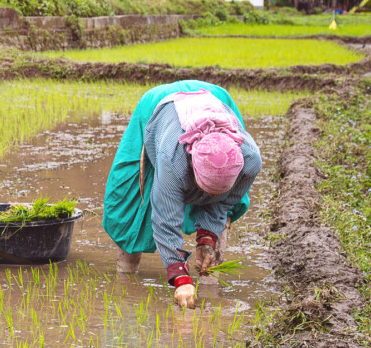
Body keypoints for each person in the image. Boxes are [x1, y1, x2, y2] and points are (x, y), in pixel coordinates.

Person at [102, 80, 261, 309]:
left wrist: (207, 238)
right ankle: (125, 280)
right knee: (133, 198)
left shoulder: (250, 160)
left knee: (225, 214)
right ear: (193, 169)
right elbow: (165, 220)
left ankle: (209, 288)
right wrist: (180, 277)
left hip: (216, 98)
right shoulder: (173, 159)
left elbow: (224, 201)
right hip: (160, 104)